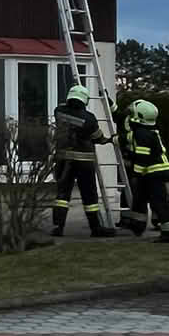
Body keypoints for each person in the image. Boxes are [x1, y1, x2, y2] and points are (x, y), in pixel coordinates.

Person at [53, 83, 117, 237]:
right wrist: (109, 140)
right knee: (89, 196)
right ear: (84, 100)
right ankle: (95, 228)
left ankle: (58, 227)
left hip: (63, 160)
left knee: (62, 195)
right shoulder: (89, 118)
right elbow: (97, 138)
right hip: (84, 162)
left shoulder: (59, 111)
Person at [119, 100, 169, 243]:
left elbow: (142, 158)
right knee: (139, 198)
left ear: (138, 117)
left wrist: (136, 175)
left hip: (155, 173)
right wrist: (111, 139)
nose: (129, 116)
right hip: (150, 172)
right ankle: (137, 225)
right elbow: (126, 137)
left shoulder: (142, 134)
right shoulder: (142, 132)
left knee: (160, 202)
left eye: (131, 113)